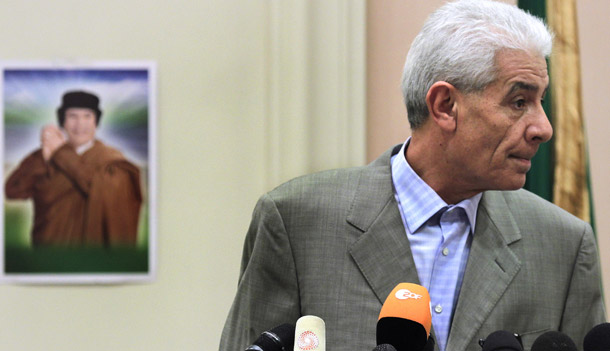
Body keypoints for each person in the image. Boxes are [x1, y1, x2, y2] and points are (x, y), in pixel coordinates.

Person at [219, 1, 606, 350]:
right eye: (519, 101)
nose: (543, 127)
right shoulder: (295, 222)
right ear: (445, 105)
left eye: (541, 101)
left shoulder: (565, 245)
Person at [5, 90, 142, 247]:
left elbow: (106, 192)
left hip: (93, 259)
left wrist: (61, 154)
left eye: (87, 116)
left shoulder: (111, 162)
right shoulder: (43, 156)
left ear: (96, 121)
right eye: (72, 116)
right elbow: (13, 191)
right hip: (47, 256)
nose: (80, 124)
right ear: (62, 121)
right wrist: (43, 157)